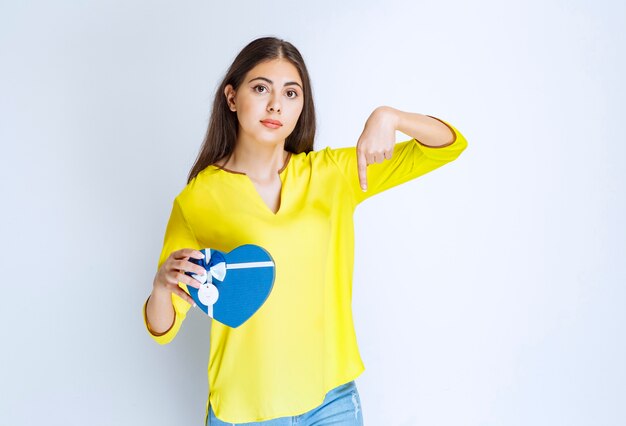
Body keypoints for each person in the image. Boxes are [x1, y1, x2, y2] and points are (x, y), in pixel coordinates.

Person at [142, 36, 468, 425]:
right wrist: (162, 286)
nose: (276, 104)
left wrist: (390, 116)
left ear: (302, 106)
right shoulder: (198, 198)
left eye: (291, 93)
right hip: (245, 409)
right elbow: (163, 329)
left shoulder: (332, 175)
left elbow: (447, 146)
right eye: (261, 88)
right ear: (232, 97)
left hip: (332, 403)